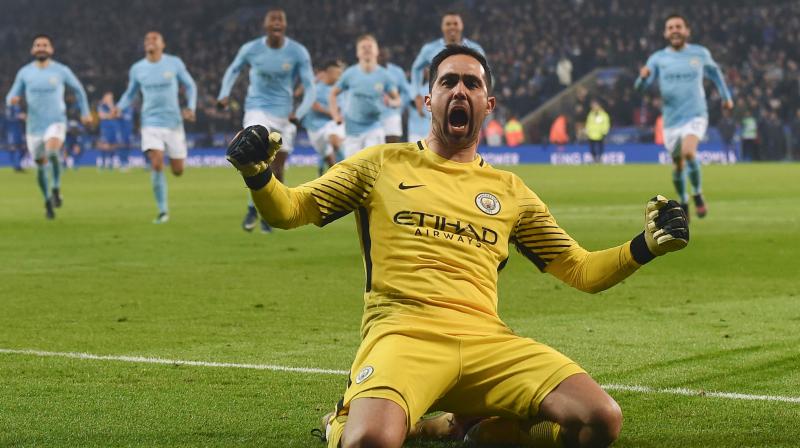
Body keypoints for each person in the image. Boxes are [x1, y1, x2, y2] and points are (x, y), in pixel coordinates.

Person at [225, 45, 690, 448]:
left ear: (488, 103)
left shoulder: (510, 191)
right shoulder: (381, 164)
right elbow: (290, 210)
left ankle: (480, 432)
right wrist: (259, 175)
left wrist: (645, 245)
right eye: (449, 82)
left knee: (601, 421)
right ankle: (341, 423)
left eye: (471, 83)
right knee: (369, 441)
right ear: (429, 99)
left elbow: (581, 270)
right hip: (403, 335)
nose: (460, 91)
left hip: (487, 340)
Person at [217, 8, 315, 233]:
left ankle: (268, 215)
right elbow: (233, 70)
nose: (277, 22)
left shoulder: (298, 52)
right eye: (273, 19)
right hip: (257, 108)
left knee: (276, 170)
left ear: (285, 25)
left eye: (281, 19)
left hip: (284, 114)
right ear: (265, 25)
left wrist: (299, 113)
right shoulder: (251, 49)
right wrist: (224, 94)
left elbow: (310, 87)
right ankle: (252, 208)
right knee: (256, 144)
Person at [635, 13, 733, 219]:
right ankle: (684, 200)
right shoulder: (658, 58)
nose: (675, 30)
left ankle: (697, 193)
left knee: (689, 152)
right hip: (671, 120)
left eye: (679, 26)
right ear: (665, 33)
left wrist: (726, 97)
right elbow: (640, 88)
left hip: (696, 113)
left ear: (687, 31)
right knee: (677, 166)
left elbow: (716, 74)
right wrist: (642, 79)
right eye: (670, 27)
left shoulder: (700, 53)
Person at [5, 34, 91, 219]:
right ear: (33, 50)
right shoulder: (25, 72)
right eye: (38, 45)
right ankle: (47, 201)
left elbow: (79, 90)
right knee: (41, 166)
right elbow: (11, 94)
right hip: (34, 126)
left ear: (51, 50)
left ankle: (56, 187)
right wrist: (12, 100)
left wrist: (85, 112)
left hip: (56, 121)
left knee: (52, 153)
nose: (41, 47)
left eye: (45, 45)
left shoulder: (61, 70)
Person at [116, 31, 197, 224]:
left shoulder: (174, 63)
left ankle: (172, 167)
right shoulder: (137, 68)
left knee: (178, 170)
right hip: (150, 122)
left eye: (154, 39)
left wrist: (191, 107)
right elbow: (130, 93)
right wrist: (118, 108)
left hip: (174, 123)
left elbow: (191, 85)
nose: (150, 42)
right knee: (157, 163)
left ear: (163, 44)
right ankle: (163, 211)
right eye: (147, 40)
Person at [328, 34, 400, 158]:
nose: (367, 49)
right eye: (363, 47)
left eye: (370, 46)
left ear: (377, 51)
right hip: (352, 130)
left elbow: (397, 100)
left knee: (372, 167)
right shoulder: (350, 74)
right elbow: (333, 93)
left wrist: (391, 103)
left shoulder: (385, 76)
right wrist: (335, 115)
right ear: (357, 53)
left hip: (374, 127)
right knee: (353, 171)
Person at [410, 12, 484, 117]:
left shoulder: (475, 49)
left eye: (455, 23)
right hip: (439, 103)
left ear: (461, 25)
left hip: (466, 101)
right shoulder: (430, 49)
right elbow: (416, 69)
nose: (452, 27)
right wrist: (416, 94)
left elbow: (486, 76)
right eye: (448, 24)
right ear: (442, 27)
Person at [302, 60, 345, 176]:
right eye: (337, 73)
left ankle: (346, 171)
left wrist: (336, 115)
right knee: (328, 157)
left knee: (335, 141)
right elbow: (314, 105)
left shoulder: (339, 90)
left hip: (331, 124)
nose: (339, 76)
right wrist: (331, 112)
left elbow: (340, 109)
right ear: (329, 73)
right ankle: (331, 175)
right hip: (314, 126)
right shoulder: (315, 88)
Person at [380, 48, 411, 143]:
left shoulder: (397, 71)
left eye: (384, 54)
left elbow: (407, 92)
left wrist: (400, 107)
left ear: (388, 56)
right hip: (374, 116)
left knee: (393, 145)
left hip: (392, 113)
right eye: (380, 54)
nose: (382, 57)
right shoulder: (369, 72)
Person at [97, 91, 120, 170]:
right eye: (108, 97)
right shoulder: (101, 106)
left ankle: (111, 162)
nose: (109, 99)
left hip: (113, 127)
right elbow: (101, 116)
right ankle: (103, 163)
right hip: (105, 127)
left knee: (113, 145)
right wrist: (111, 115)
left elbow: (118, 115)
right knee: (104, 145)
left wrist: (111, 107)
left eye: (110, 97)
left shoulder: (113, 106)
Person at [5, 102, 27, 172]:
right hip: (12, 131)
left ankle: (18, 164)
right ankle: (16, 165)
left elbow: (23, 118)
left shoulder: (19, 107)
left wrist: (24, 118)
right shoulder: (10, 107)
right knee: (13, 148)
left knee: (23, 148)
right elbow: (8, 118)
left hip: (20, 131)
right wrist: (18, 116)